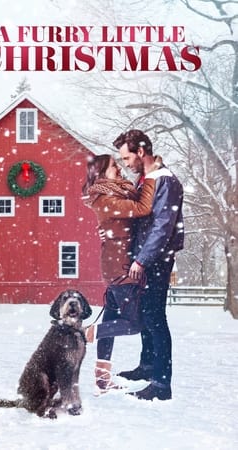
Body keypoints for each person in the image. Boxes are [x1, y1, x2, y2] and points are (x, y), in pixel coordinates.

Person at [113, 129, 184, 401]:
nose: (125, 163)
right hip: (144, 258)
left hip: (156, 259)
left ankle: (161, 384)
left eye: (127, 157)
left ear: (140, 152)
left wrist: (142, 259)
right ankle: (147, 366)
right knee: (146, 312)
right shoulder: (146, 180)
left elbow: (163, 226)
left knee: (155, 316)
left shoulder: (164, 181)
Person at [82, 154, 160, 395]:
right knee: (134, 323)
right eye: (113, 166)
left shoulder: (113, 194)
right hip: (120, 267)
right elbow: (143, 207)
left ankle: (102, 380)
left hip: (117, 262)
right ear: (102, 173)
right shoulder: (105, 198)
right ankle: (86, 333)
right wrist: (153, 176)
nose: (119, 168)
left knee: (111, 319)